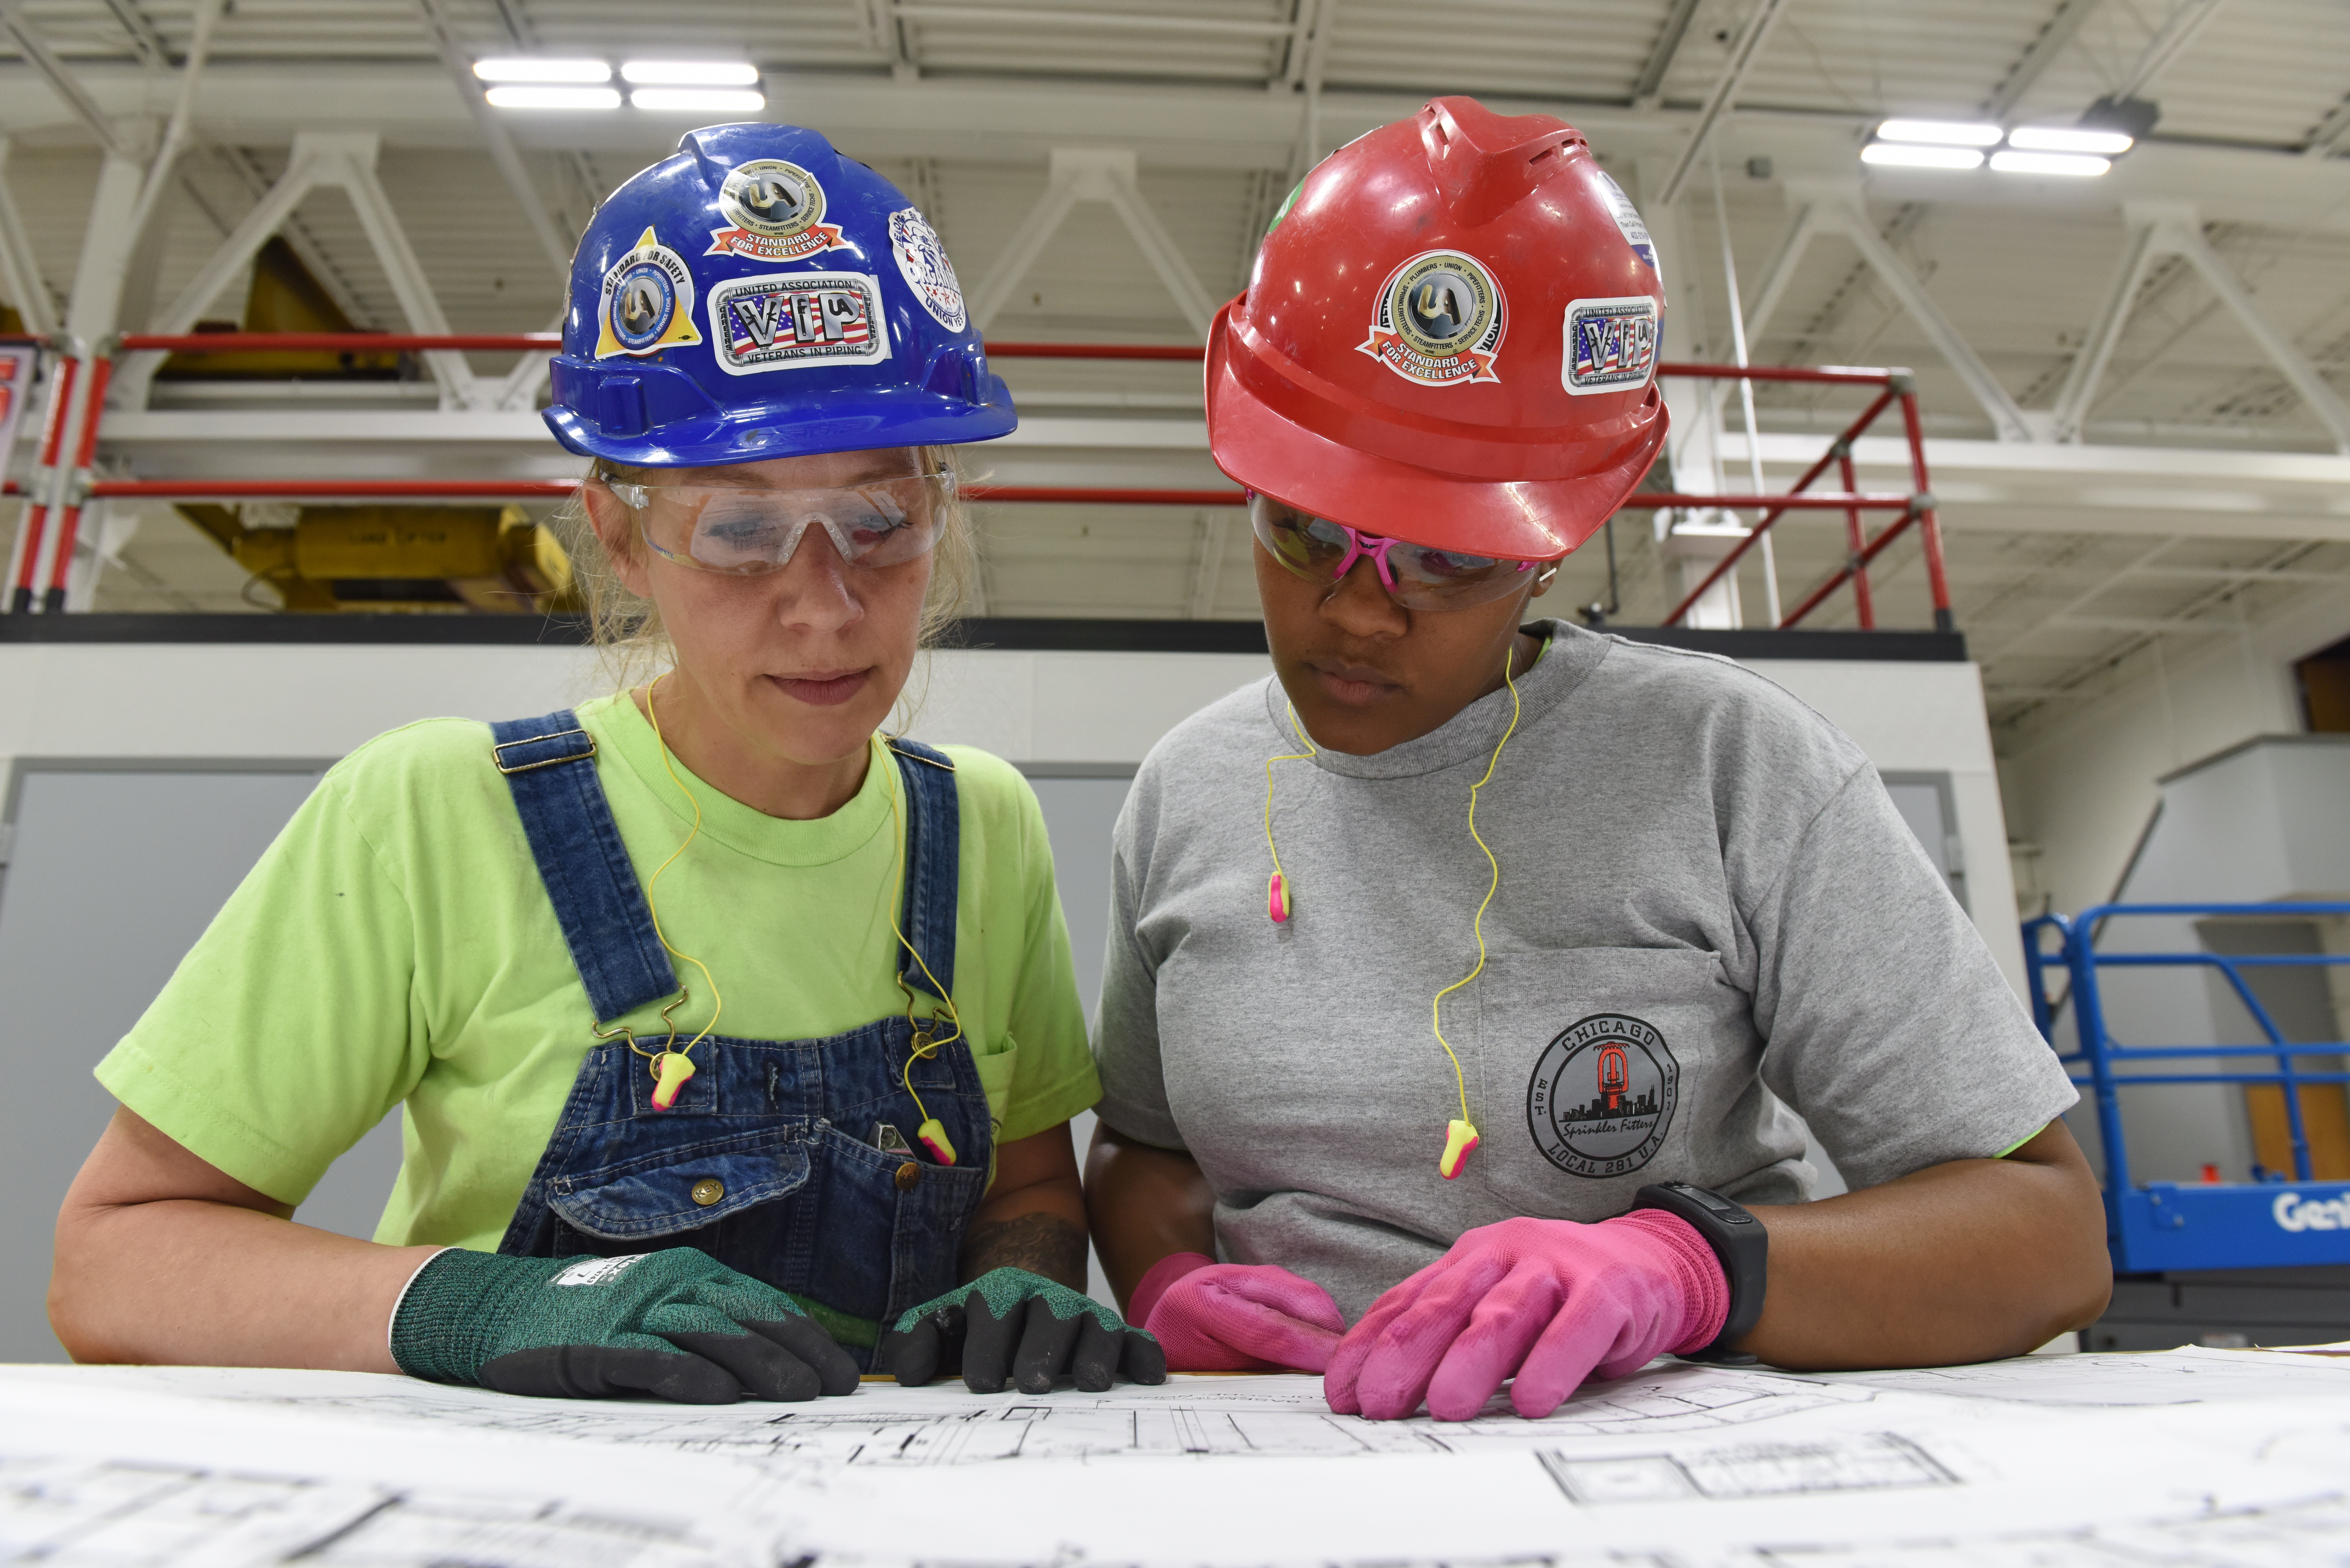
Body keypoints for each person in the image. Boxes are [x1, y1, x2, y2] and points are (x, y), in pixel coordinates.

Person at [49, 124, 1162, 1405]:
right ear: (620, 539)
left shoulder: (981, 828)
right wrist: (481, 1304)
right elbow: (113, 1255)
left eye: (879, 521)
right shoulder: (435, 814)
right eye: (741, 531)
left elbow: (1024, 1183)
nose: (825, 606)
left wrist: (1026, 1272)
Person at [1083, 97, 2111, 1422]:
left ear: (1556, 540)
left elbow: (2044, 1235)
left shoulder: (1728, 766)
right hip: (1300, 1455)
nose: (1356, 607)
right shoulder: (1188, 789)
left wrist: (1689, 1269)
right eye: (1303, 531)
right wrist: (1167, 1273)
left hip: (1662, 1448)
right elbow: (1144, 1142)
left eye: (1449, 557)